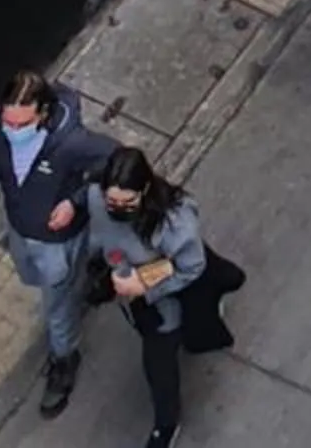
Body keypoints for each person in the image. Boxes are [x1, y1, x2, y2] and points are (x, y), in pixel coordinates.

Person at [0, 68, 114, 420]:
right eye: (8, 122)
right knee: (35, 276)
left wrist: (74, 201)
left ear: (42, 113)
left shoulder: (74, 144)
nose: (12, 131)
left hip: (57, 240)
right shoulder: (0, 126)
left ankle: (64, 359)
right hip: (21, 230)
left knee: (56, 306)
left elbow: (117, 163)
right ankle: (99, 260)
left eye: (20, 125)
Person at [86, 144, 244, 448]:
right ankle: (224, 283)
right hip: (125, 287)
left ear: (144, 190)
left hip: (162, 303)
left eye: (127, 202)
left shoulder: (174, 223)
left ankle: (166, 425)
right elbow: (100, 231)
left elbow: (191, 266)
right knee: (221, 277)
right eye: (112, 201)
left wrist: (145, 285)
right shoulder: (96, 198)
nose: (117, 208)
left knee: (159, 366)